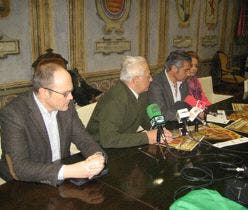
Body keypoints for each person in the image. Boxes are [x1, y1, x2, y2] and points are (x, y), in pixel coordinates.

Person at [0, 58, 106, 186]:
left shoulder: (67, 107)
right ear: (44, 92)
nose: (71, 98)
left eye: (71, 91)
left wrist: (98, 157)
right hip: (25, 183)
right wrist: (71, 170)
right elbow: (20, 167)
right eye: (65, 93)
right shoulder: (13, 113)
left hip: (61, 176)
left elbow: (84, 139)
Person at [86, 56, 172, 148]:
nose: (151, 79)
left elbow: (143, 118)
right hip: (99, 150)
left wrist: (157, 129)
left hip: (123, 144)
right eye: (148, 76)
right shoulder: (115, 99)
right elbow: (109, 140)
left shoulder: (141, 92)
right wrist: (147, 137)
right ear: (135, 80)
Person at [148, 50, 192, 121]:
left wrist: (195, 111)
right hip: (166, 127)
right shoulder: (156, 85)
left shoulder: (183, 82)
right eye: (186, 70)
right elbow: (161, 114)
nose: (189, 74)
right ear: (174, 68)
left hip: (183, 124)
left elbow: (186, 104)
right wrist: (188, 114)